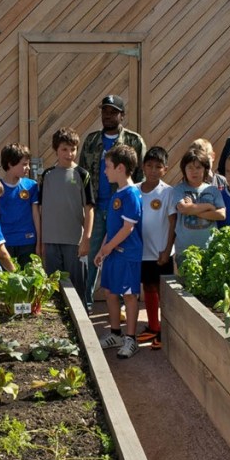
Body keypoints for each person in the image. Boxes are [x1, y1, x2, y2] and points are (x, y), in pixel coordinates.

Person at [79, 95, 146, 312]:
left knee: (119, 254)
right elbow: (82, 176)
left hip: (122, 209)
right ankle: (86, 303)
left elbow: (141, 177)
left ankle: (122, 308)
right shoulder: (90, 141)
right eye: (104, 111)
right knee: (91, 257)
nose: (107, 116)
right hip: (97, 207)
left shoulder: (134, 141)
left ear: (122, 115)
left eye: (112, 112)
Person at [94, 144, 143, 360]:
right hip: (113, 253)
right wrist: (102, 249)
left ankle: (131, 339)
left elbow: (128, 228)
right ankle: (115, 334)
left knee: (130, 296)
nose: (105, 171)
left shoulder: (131, 194)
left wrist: (109, 247)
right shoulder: (117, 194)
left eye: (108, 166)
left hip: (127, 254)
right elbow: (112, 228)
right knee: (110, 293)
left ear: (120, 168)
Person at [37, 127, 93, 297]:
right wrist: (41, 241)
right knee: (53, 287)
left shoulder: (82, 174)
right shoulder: (47, 175)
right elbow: (41, 208)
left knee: (77, 287)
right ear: (56, 150)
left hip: (74, 241)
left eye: (73, 149)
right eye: (64, 149)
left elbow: (89, 209)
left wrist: (86, 239)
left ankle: (82, 320)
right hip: (51, 240)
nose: (69, 154)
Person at [138, 147, 175, 351]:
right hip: (142, 252)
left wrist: (167, 249)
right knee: (148, 287)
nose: (153, 170)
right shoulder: (134, 189)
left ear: (165, 169)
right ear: (143, 166)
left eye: (158, 167)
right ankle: (153, 326)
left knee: (163, 291)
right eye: (149, 166)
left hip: (161, 253)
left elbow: (172, 222)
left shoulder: (167, 192)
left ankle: (166, 331)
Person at [172, 148, 225, 269]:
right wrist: (209, 207)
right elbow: (184, 209)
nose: (194, 171)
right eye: (190, 167)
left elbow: (222, 214)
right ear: (184, 169)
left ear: (206, 169)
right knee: (185, 286)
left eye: (198, 167)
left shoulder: (213, 190)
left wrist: (194, 209)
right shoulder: (179, 189)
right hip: (185, 251)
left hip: (209, 249)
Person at [0, 143, 39, 268]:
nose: (28, 168)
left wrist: (39, 242)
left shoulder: (31, 185)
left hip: (27, 241)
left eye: (29, 164)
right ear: (10, 164)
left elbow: (36, 215)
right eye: (24, 164)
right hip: (5, 242)